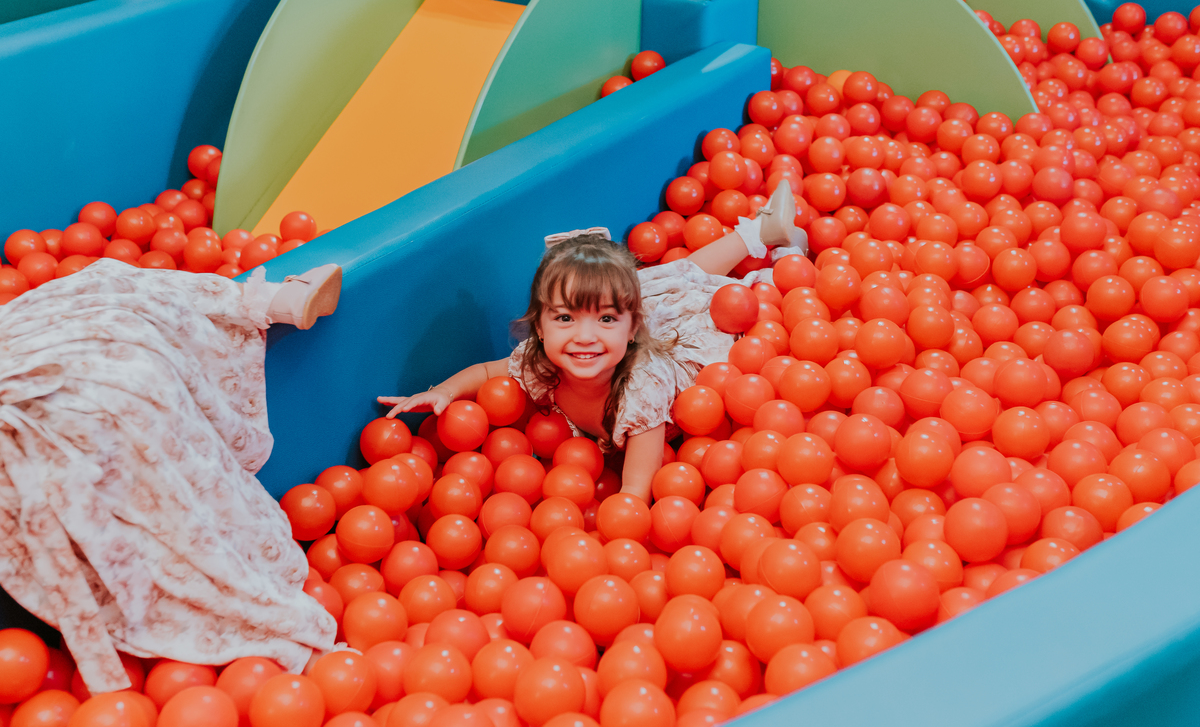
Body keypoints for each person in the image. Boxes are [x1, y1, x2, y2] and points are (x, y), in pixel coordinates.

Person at [0, 259, 342, 693]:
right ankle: (268, 300)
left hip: (73, 395)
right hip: (77, 372)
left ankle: (261, 621)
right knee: (101, 288)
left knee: (161, 512)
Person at [379, 182, 806, 502]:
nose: (585, 337)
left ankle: (776, 257)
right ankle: (762, 232)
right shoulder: (540, 360)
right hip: (633, 312)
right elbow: (487, 372)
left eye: (604, 318)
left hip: (679, 346)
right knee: (662, 281)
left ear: (630, 325)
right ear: (540, 326)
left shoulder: (641, 391)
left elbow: (637, 490)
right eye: (565, 317)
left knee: (698, 291)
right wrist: (441, 393)